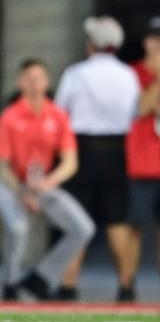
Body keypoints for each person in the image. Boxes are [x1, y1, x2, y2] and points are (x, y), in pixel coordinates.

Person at [0, 59, 95, 301]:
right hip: (13, 184)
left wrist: (48, 183)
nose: (34, 83)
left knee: (83, 228)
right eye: (29, 78)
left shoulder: (58, 116)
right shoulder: (9, 117)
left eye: (39, 78)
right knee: (18, 229)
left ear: (47, 81)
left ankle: (40, 278)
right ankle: (10, 284)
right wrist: (23, 192)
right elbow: (2, 167)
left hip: (43, 184)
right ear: (20, 82)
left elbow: (70, 162)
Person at [55, 16, 140, 301]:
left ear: (92, 44)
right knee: (117, 220)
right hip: (117, 152)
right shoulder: (128, 75)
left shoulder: (76, 73)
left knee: (78, 220)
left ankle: (68, 285)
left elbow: (60, 113)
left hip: (82, 151)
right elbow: (134, 114)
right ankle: (126, 286)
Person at [125, 16, 160, 290]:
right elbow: (140, 108)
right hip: (141, 163)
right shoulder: (131, 73)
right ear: (147, 42)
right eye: (156, 39)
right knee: (133, 229)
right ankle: (127, 287)